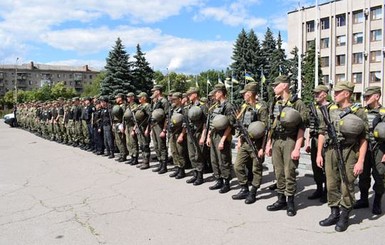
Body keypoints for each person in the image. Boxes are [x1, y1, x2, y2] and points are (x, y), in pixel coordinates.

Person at [316, 81, 368, 232]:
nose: (335, 95)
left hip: (349, 151)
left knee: (347, 184)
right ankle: (334, 213)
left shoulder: (358, 111)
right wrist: (319, 153)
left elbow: (364, 138)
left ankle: (345, 215)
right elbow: (322, 132)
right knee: (331, 183)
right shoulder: (330, 109)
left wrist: (361, 161)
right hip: (330, 150)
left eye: (338, 92)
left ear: (347, 94)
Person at [265, 75, 307, 216]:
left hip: (290, 140)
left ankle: (290, 201)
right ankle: (281, 199)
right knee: (278, 171)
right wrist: (269, 143)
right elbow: (271, 125)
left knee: (289, 171)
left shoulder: (297, 103)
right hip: (276, 140)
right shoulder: (274, 103)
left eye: (275, 85)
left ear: (284, 86)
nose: (273, 88)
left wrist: (297, 147)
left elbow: (302, 127)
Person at [232, 82, 268, 204]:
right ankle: (244, 188)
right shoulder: (244, 108)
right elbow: (242, 126)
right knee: (237, 166)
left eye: (245, 94)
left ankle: (253, 191)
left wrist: (263, 147)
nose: (243, 96)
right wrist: (239, 141)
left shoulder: (261, 108)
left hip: (257, 144)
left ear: (251, 94)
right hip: (245, 142)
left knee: (256, 169)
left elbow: (266, 129)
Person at [354, 86, 385, 214]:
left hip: (380, 149)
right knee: (363, 175)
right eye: (365, 96)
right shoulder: (362, 112)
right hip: (364, 148)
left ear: (377, 96)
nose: (365, 98)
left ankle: (377, 202)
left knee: (380, 176)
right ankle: (363, 199)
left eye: (368, 96)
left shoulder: (383, 112)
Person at [206, 83, 235, 194]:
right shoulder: (215, 106)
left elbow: (230, 124)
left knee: (223, 159)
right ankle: (218, 180)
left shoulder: (228, 106)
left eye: (216, 92)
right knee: (214, 159)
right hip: (213, 135)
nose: (214, 95)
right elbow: (211, 123)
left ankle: (226, 182)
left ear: (221, 93)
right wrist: (208, 136)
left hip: (223, 135)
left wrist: (223, 140)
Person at [305, 85, 329, 203]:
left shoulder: (330, 107)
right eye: (314, 93)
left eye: (318, 93)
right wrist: (308, 142)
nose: (315, 96)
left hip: (326, 140)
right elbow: (311, 126)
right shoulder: (313, 108)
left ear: (324, 94)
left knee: (326, 167)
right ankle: (319, 189)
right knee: (316, 167)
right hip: (314, 140)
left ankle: (327, 191)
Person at [183, 87, 206, 185]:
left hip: (198, 133)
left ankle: (200, 176)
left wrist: (203, 136)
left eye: (190, 94)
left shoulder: (202, 106)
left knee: (198, 155)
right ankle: (195, 174)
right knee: (191, 154)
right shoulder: (189, 106)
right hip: (190, 132)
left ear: (195, 94)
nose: (188, 96)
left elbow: (206, 123)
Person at [149, 85, 170, 174]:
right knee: (156, 145)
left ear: (158, 91)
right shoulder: (155, 101)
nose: (153, 93)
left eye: (154, 91)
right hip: (154, 126)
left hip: (160, 126)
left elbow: (167, 117)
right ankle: (160, 163)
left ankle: (164, 166)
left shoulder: (164, 101)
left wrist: (164, 129)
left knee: (161, 146)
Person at [168, 92, 188, 179]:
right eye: (172, 100)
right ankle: (177, 167)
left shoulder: (183, 109)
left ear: (180, 99)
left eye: (175, 99)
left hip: (179, 132)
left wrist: (182, 134)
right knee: (174, 151)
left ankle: (182, 170)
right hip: (172, 133)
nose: (173, 101)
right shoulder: (173, 109)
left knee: (180, 152)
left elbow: (185, 124)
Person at [134, 92, 152, 170]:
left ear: (144, 98)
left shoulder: (147, 106)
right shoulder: (140, 106)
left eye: (140, 97)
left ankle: (146, 162)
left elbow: (150, 118)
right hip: (139, 127)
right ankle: (143, 161)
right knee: (141, 145)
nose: (138, 99)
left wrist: (148, 128)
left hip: (144, 128)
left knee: (145, 145)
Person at [124, 92, 140, 165]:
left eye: (129, 97)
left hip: (132, 126)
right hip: (127, 126)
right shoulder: (128, 106)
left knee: (133, 142)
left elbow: (137, 119)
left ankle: (135, 157)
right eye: (127, 97)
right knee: (128, 142)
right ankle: (132, 156)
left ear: (132, 97)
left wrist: (134, 129)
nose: (127, 98)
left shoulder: (135, 106)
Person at [112, 93, 128, 162]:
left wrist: (122, 125)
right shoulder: (118, 106)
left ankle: (123, 155)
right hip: (116, 124)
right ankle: (122, 154)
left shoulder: (124, 106)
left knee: (121, 140)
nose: (116, 99)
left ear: (120, 98)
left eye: (117, 98)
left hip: (120, 124)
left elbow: (124, 117)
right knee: (118, 140)